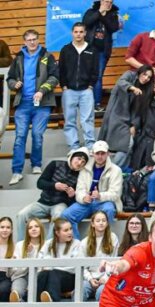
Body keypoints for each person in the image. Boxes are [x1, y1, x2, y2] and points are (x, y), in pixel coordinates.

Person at [6, 30, 59, 186]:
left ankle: (36, 164)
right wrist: (14, 84)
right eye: (29, 40)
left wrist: (42, 91)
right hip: (22, 104)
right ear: (24, 42)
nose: (32, 42)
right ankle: (16, 172)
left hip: (42, 104)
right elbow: (10, 78)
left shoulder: (47, 56)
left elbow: (55, 77)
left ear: (38, 40)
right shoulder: (18, 58)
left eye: (34, 39)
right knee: (19, 137)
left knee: (37, 135)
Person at [16, 149, 88, 240]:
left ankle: (48, 247)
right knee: (21, 215)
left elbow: (74, 202)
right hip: (42, 202)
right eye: (78, 159)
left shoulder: (81, 176)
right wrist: (54, 185)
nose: (79, 163)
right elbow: (40, 183)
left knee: (58, 216)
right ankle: (21, 245)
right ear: (72, 157)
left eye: (83, 162)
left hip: (60, 204)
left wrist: (71, 196)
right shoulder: (55, 164)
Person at [61, 141, 124, 239]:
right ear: (93, 154)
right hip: (87, 202)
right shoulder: (85, 168)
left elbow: (115, 194)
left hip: (104, 202)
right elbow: (79, 189)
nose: (100, 156)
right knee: (66, 215)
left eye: (103, 153)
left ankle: (104, 242)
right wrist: (83, 197)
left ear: (108, 154)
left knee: (109, 210)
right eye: (97, 153)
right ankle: (76, 246)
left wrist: (100, 195)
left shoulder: (116, 170)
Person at [99, 66, 155, 169]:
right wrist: (132, 88)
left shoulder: (146, 90)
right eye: (145, 74)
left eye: (149, 77)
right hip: (116, 116)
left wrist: (134, 125)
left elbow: (140, 111)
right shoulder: (129, 75)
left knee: (129, 145)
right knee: (127, 145)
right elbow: (121, 82)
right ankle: (112, 170)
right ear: (140, 72)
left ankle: (114, 170)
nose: (146, 78)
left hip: (129, 121)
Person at [58, 22, 98, 152]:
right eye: (76, 32)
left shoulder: (92, 50)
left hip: (86, 90)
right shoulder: (66, 50)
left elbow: (96, 70)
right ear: (72, 33)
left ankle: (90, 145)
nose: (78, 34)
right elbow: (61, 69)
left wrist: (91, 85)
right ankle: (74, 146)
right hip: (69, 90)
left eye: (81, 32)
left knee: (87, 119)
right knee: (69, 120)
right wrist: (64, 86)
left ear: (85, 33)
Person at [83, 0, 121, 111]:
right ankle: (86, 103)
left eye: (110, 2)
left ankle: (97, 104)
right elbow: (86, 23)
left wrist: (104, 15)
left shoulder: (113, 15)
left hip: (102, 51)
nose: (108, 4)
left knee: (98, 76)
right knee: (86, 75)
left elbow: (113, 28)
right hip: (88, 49)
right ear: (100, 1)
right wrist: (99, 12)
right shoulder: (91, 11)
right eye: (105, 1)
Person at [36, 219, 81, 303]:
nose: (70, 232)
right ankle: (32, 300)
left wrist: (51, 266)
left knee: (53, 272)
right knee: (43, 274)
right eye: (66, 230)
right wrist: (50, 268)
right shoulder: (48, 243)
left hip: (70, 279)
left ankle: (53, 299)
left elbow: (72, 267)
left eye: (70, 229)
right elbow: (40, 260)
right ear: (57, 233)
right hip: (52, 277)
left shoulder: (76, 244)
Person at [81, 210, 119, 301]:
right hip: (89, 279)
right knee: (81, 290)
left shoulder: (113, 238)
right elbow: (82, 267)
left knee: (101, 293)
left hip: (107, 277)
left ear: (107, 223)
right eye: (98, 221)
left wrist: (105, 277)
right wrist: (90, 279)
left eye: (103, 220)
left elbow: (114, 262)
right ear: (92, 224)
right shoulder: (84, 242)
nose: (101, 223)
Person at [8, 219, 45, 302]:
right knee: (16, 293)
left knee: (34, 289)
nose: (33, 229)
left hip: (38, 277)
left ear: (41, 229)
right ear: (27, 231)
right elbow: (16, 270)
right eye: (30, 227)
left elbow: (42, 269)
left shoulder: (46, 245)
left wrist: (30, 256)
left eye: (36, 226)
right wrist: (29, 256)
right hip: (21, 276)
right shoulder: (19, 245)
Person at [0, 218, 14, 302]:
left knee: (3, 290)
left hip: (6, 277)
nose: (5, 230)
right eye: (2, 227)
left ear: (11, 230)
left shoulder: (15, 248)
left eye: (8, 227)